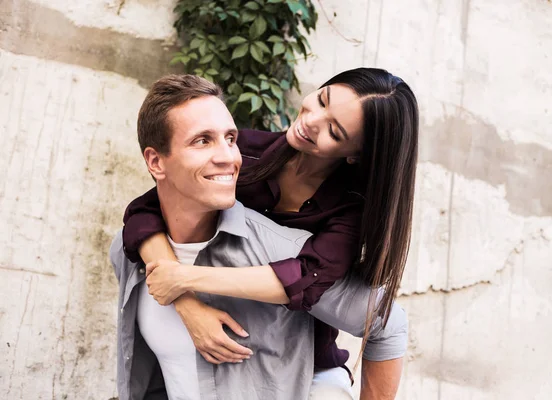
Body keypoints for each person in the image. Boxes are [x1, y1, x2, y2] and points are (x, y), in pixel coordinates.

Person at [110, 74, 408, 400]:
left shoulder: (349, 212)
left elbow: (305, 280)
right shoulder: (245, 151)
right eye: (322, 100)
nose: (310, 121)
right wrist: (185, 302)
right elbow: (145, 210)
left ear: (356, 154)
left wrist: (183, 278)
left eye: (334, 131)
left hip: (307, 362)